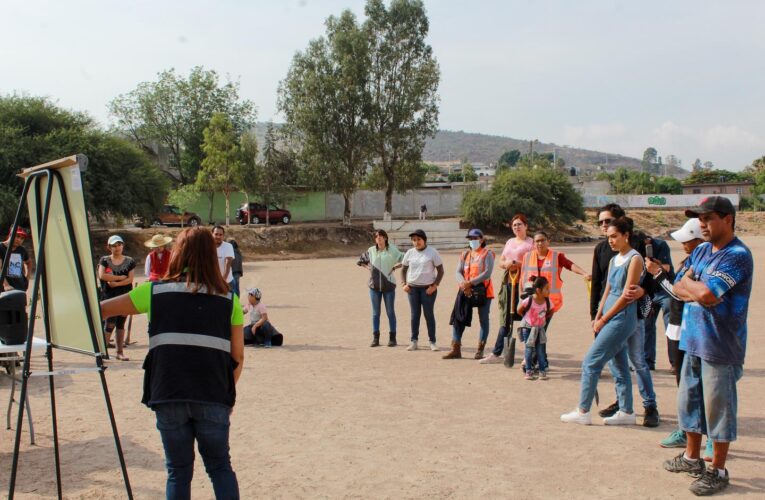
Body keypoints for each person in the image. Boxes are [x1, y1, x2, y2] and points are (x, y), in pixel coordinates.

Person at [100, 226, 244, 498]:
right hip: (213, 394)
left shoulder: (154, 292)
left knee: (178, 471)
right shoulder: (229, 299)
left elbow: (103, 309)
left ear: (178, 252)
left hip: (168, 392)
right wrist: (226, 395)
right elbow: (238, 356)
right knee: (220, 467)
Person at [662, 197, 753, 496]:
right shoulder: (701, 249)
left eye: (709, 217)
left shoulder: (737, 255)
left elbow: (709, 295)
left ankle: (718, 469)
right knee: (689, 404)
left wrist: (695, 287)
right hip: (694, 340)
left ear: (728, 219)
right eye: (699, 218)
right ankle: (692, 458)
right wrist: (694, 287)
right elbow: (677, 285)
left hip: (721, 344)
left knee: (718, 409)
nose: (702, 223)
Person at [561, 218, 643, 425]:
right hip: (608, 316)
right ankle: (626, 411)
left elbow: (626, 295)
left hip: (622, 318)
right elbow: (607, 289)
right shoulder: (616, 259)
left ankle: (583, 410)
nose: (611, 241)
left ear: (626, 235)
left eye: (615, 236)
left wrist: (604, 318)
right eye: (608, 238)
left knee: (591, 361)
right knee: (620, 364)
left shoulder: (635, 259)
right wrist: (598, 314)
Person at [591, 205, 661, 427]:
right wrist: (595, 314)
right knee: (616, 361)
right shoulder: (602, 250)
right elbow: (599, 284)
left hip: (632, 313)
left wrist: (644, 291)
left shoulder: (637, 246)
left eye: (608, 221)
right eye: (601, 223)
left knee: (637, 360)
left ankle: (650, 405)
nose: (604, 226)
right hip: (608, 313)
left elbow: (650, 275)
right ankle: (622, 403)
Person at [647, 218, 707, 450]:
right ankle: (686, 429)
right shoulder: (690, 260)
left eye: (688, 241)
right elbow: (678, 291)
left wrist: (658, 275)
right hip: (676, 326)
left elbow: (678, 293)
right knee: (682, 383)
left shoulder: (703, 262)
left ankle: (706, 435)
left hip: (691, 328)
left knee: (697, 385)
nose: (683, 245)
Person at [520, 230, 590, 372]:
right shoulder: (527, 257)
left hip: (549, 304)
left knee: (539, 330)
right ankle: (541, 361)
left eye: (542, 240)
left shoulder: (556, 256)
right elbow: (523, 277)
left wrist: (584, 273)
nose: (540, 243)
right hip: (531, 303)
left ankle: (532, 361)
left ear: (548, 241)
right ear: (533, 243)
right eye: (537, 241)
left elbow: (569, 264)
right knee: (537, 331)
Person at [481, 214, 534, 364]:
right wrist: (507, 264)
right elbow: (501, 261)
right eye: (514, 225)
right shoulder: (510, 242)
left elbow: (533, 261)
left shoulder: (531, 243)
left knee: (526, 317)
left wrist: (518, 263)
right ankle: (497, 353)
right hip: (508, 282)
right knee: (506, 318)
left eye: (519, 224)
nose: (517, 227)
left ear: (526, 226)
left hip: (524, 283)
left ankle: (528, 354)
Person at [444, 228, 495, 360]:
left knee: (483, 319)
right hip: (465, 290)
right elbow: (458, 272)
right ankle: (456, 348)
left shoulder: (487, 253)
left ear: (482, 239)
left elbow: (487, 273)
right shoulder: (465, 254)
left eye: (475, 238)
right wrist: (463, 283)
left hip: (483, 291)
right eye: (470, 239)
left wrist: (470, 283)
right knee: (458, 317)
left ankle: (480, 349)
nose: (472, 241)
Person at [357, 229, 404, 347]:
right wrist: (369, 268)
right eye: (377, 236)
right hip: (374, 286)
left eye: (381, 236)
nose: (379, 238)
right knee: (375, 313)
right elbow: (361, 260)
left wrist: (395, 267)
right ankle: (375, 338)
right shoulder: (371, 250)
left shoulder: (392, 250)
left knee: (390, 312)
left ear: (385, 238)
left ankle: (392, 338)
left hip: (389, 286)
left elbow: (405, 260)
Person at [401, 229, 444, 352]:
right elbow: (403, 269)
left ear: (424, 239)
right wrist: (404, 284)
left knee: (428, 314)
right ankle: (414, 341)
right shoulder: (409, 253)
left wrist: (435, 286)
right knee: (415, 315)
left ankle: (432, 341)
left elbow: (440, 270)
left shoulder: (432, 252)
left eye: (419, 239)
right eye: (414, 240)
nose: (416, 242)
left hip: (428, 289)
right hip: (412, 289)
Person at [98, 235, 135, 361]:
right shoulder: (105, 260)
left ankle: (119, 352)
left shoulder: (129, 261)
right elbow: (102, 275)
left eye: (119, 244)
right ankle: (102, 351)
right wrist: (119, 277)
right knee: (109, 323)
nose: (117, 247)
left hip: (124, 295)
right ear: (109, 247)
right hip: (109, 296)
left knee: (121, 323)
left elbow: (130, 279)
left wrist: (116, 283)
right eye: (114, 245)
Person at [517, 276, 553, 380]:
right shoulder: (529, 300)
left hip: (540, 329)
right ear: (538, 290)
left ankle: (542, 371)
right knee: (528, 349)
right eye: (546, 288)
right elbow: (519, 310)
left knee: (540, 350)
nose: (549, 290)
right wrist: (526, 318)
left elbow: (552, 310)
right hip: (528, 328)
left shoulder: (547, 301)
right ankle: (528, 371)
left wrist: (544, 318)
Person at [1, 227, 31, 292]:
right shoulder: (1, 247)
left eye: (22, 238)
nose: (19, 240)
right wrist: (6, 285)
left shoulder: (22, 250)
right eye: (17, 236)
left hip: (20, 287)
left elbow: (29, 262)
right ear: (10, 235)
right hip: (5, 289)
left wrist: (27, 278)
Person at [213, 225, 235, 290]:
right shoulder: (207, 247)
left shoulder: (228, 246)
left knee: (229, 300)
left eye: (220, 234)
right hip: (211, 283)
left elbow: (227, 264)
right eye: (216, 234)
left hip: (227, 282)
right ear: (212, 234)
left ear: (223, 236)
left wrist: (223, 281)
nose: (218, 236)